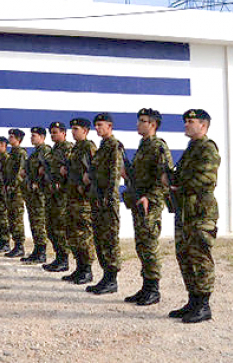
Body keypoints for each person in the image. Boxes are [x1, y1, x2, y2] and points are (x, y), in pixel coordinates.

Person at [168, 109, 221, 323]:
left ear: (204, 125)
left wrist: (176, 186)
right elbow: (181, 176)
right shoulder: (191, 149)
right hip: (186, 212)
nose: (186, 125)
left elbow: (206, 179)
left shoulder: (208, 148)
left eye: (191, 122)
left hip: (200, 211)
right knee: (185, 256)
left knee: (200, 256)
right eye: (186, 122)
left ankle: (204, 305)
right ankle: (193, 300)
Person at [123, 108, 173, 306]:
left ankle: (154, 289)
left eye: (142, 121)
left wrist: (149, 198)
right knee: (141, 244)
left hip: (150, 203)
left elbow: (164, 177)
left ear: (152, 124)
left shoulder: (158, 146)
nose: (138, 124)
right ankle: (146, 287)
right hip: (139, 201)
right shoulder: (143, 146)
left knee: (149, 245)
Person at [85, 113, 124, 295]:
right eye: (96, 125)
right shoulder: (102, 147)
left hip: (107, 201)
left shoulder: (114, 146)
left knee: (109, 240)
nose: (98, 128)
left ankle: (112, 279)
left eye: (101, 125)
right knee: (100, 239)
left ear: (110, 126)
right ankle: (106, 277)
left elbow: (114, 175)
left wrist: (107, 199)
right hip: (98, 199)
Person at [62, 118, 97, 284]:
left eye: (76, 129)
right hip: (72, 198)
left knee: (84, 235)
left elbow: (94, 169)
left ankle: (87, 270)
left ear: (85, 131)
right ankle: (79, 267)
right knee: (73, 234)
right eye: (72, 129)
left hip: (83, 201)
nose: (73, 132)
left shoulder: (89, 147)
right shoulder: (75, 148)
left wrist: (86, 182)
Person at [42, 121, 73, 272]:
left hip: (62, 195)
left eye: (56, 132)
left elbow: (72, 170)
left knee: (60, 227)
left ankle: (64, 259)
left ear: (63, 133)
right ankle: (58, 256)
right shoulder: (54, 149)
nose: (53, 135)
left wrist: (63, 179)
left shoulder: (68, 148)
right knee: (51, 226)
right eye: (51, 132)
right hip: (51, 193)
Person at [21, 127, 52, 264]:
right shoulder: (35, 153)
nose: (31, 138)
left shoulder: (45, 151)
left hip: (39, 194)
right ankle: (37, 249)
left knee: (39, 222)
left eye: (34, 135)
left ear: (42, 137)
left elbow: (47, 170)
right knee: (34, 221)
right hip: (32, 194)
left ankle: (42, 252)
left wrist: (39, 182)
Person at [3, 128, 28, 258]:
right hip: (9, 190)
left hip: (17, 191)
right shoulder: (11, 153)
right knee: (11, 217)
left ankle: (20, 246)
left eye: (12, 137)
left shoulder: (20, 153)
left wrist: (14, 186)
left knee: (17, 217)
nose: (9, 139)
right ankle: (15, 244)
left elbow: (21, 172)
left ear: (18, 139)